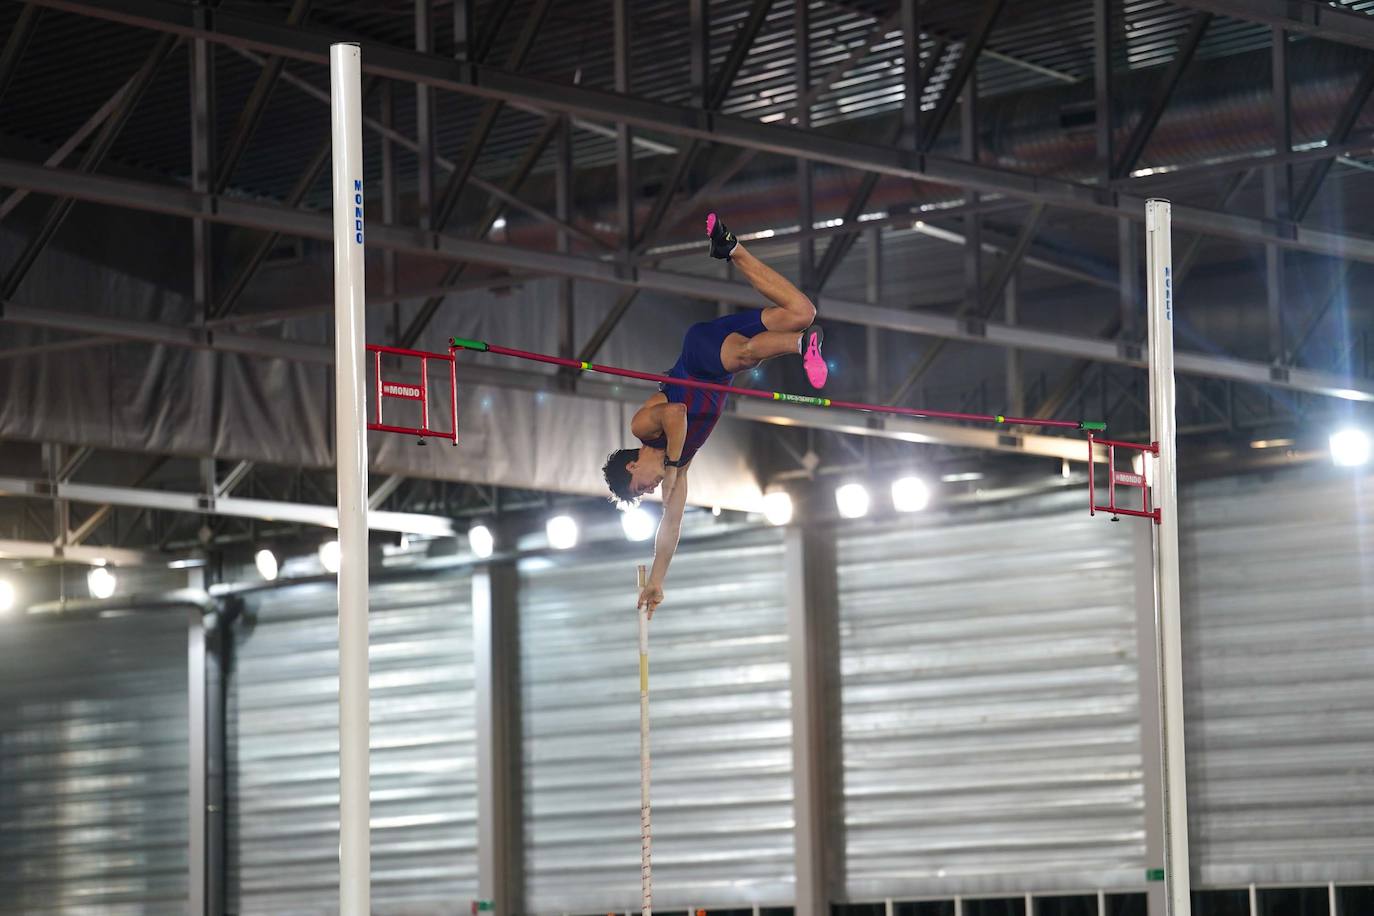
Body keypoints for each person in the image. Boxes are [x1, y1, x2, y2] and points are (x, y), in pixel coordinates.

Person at [602, 212, 827, 617]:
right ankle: (731, 248)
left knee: (745, 355)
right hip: (722, 365)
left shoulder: (642, 429)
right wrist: (657, 581)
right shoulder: (680, 468)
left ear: (632, 464)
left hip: (701, 358)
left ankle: (800, 346)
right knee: (802, 310)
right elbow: (669, 529)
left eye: (639, 487)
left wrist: (671, 465)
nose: (649, 491)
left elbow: (677, 413)